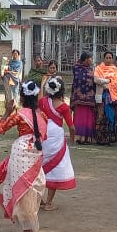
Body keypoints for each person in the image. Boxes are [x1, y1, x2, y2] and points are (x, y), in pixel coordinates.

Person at [0, 81, 48, 232]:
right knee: (30, 189)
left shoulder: (20, 115)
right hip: (35, 155)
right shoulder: (43, 115)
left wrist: (7, 112)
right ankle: (28, 229)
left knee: (22, 191)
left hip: (21, 154)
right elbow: (45, 136)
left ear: (22, 97)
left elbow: (0, 129)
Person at [40, 77, 75, 211]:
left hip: (43, 134)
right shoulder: (64, 107)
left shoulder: (43, 102)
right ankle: (48, 203)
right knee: (55, 168)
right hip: (57, 138)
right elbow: (71, 127)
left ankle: (39, 199)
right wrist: (72, 140)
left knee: (40, 166)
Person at [93, 52, 117, 146]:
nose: (108, 59)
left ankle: (110, 139)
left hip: (112, 96)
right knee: (101, 116)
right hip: (101, 95)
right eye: (107, 57)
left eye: (110, 58)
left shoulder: (115, 69)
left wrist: (108, 83)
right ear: (103, 58)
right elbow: (96, 80)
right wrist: (107, 81)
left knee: (111, 117)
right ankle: (100, 139)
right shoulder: (98, 68)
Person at [68, 52, 96, 144]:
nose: (91, 60)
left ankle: (87, 138)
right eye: (90, 58)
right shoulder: (77, 68)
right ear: (85, 59)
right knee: (80, 117)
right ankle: (78, 137)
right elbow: (79, 79)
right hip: (79, 98)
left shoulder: (91, 69)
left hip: (90, 98)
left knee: (88, 117)